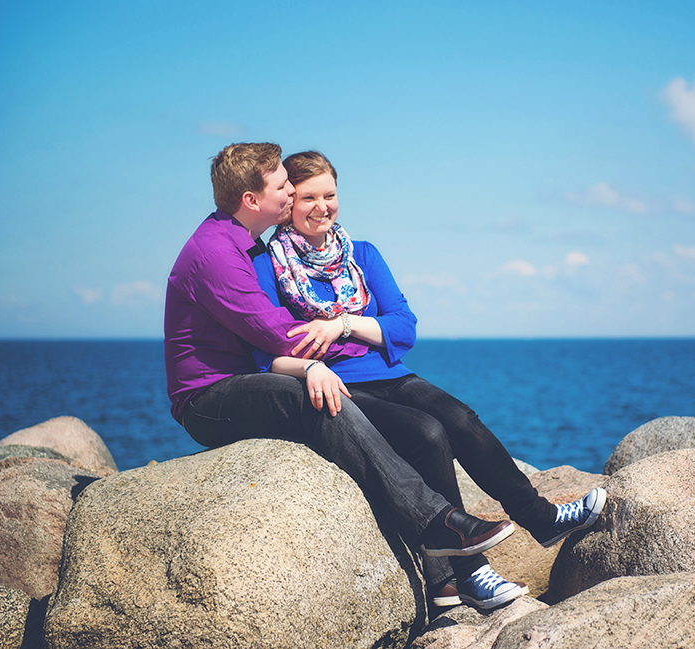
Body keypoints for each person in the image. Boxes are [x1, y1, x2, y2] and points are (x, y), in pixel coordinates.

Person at [164, 142, 522, 610]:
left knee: (424, 427)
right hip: (210, 398)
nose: (292, 193)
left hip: (245, 381)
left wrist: (333, 336)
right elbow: (275, 332)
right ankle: (436, 522)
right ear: (252, 200)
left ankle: (447, 570)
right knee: (319, 400)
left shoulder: (243, 242)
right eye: (282, 186)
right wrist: (332, 348)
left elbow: (292, 333)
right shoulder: (217, 252)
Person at [251, 150, 607, 610]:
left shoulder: (361, 254)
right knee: (428, 434)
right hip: (334, 385)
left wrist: (341, 324)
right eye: (308, 198)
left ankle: (543, 519)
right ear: (288, 202)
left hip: (388, 373)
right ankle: (471, 573)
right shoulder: (268, 263)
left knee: (461, 418)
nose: (322, 206)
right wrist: (339, 341)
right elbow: (271, 346)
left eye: (330, 195)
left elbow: (404, 326)